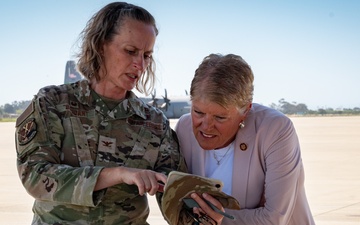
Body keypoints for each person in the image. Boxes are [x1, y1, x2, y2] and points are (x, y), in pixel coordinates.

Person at [15, 2, 186, 224]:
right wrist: (119, 174)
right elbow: (35, 176)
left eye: (146, 55)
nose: (140, 65)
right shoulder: (52, 103)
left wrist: (200, 210)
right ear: (100, 45)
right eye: (130, 51)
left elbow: (174, 191)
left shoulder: (154, 122)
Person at [175, 53, 315, 225]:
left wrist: (218, 219)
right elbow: (178, 205)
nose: (206, 126)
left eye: (220, 117)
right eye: (198, 112)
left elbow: (274, 220)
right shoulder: (184, 128)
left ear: (246, 111)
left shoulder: (275, 130)